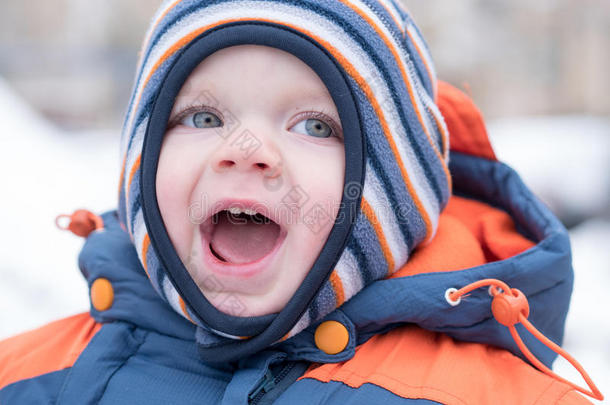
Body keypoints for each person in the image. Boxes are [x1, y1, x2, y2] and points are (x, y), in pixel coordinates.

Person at [0, 1, 603, 404]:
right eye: (203, 116)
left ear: (394, 199)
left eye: (315, 126)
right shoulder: (27, 379)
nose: (247, 151)